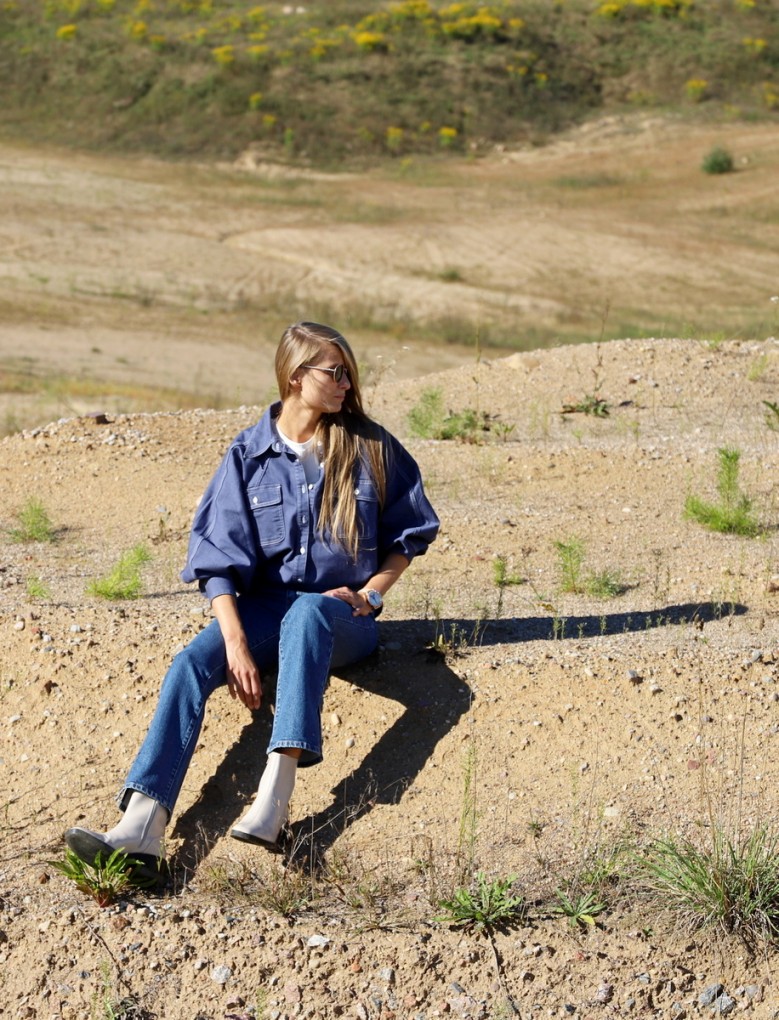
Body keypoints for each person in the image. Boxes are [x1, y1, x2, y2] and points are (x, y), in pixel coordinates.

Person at [65, 321, 439, 884]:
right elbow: (216, 561)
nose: (345, 382)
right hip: (268, 609)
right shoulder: (248, 454)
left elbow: (410, 533)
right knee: (194, 662)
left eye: (347, 372)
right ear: (295, 376)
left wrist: (371, 595)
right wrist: (236, 644)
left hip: (343, 618)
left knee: (312, 611)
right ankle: (142, 822)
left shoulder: (371, 446)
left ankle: (275, 796)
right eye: (333, 371)